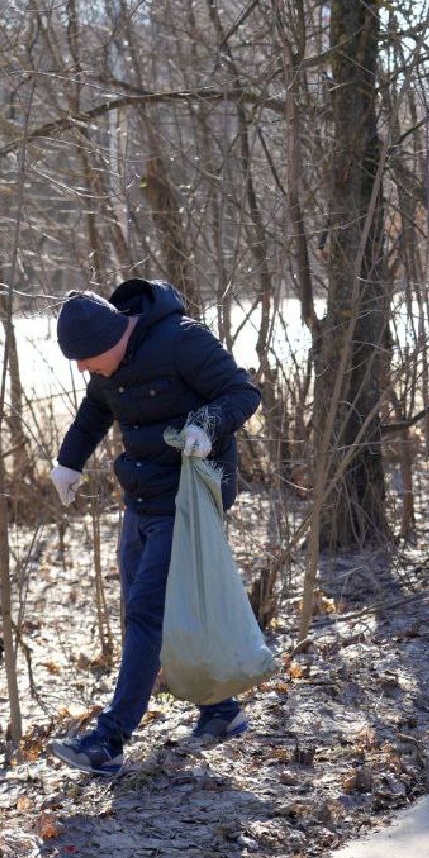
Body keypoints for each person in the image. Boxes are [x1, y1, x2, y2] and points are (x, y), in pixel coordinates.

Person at [46, 281, 262, 777]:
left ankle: (110, 740)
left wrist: (206, 424)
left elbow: (243, 392)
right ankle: (221, 711)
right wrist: (69, 462)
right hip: (141, 496)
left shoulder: (182, 340)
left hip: (190, 497)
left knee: (147, 611)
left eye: (87, 360)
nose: (83, 370)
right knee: (144, 608)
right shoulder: (107, 366)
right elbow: (95, 411)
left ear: (113, 339)